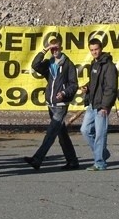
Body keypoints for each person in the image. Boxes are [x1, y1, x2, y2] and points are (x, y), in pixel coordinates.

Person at [25, 38, 80, 171]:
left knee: (50, 133)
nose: (54, 51)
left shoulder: (68, 64)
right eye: (52, 48)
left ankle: (37, 160)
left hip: (61, 104)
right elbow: (35, 65)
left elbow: (74, 84)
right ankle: (72, 161)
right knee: (61, 134)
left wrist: (64, 93)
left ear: (61, 48)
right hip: (51, 104)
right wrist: (44, 50)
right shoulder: (48, 63)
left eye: (57, 48)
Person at [80, 37, 118, 171]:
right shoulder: (94, 64)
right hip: (92, 104)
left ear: (101, 49)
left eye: (96, 49)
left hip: (102, 106)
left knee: (100, 134)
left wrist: (105, 106)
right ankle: (103, 153)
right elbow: (94, 83)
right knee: (84, 130)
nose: (94, 52)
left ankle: (100, 163)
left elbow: (111, 88)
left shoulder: (109, 66)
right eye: (92, 50)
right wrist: (87, 87)